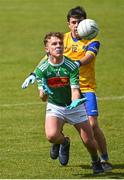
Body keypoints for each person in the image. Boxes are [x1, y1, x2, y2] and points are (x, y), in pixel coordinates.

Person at [22, 6, 112, 171]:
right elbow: (46, 58)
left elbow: (90, 55)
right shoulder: (61, 40)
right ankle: (60, 142)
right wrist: (34, 74)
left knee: (92, 125)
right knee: (57, 124)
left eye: (79, 22)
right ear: (68, 24)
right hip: (62, 85)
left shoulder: (92, 38)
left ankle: (104, 158)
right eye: (73, 22)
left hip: (85, 86)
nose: (77, 26)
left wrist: (75, 64)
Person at [35, 31, 104, 174]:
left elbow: (75, 90)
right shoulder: (41, 70)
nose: (58, 46)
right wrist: (45, 92)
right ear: (47, 49)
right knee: (51, 136)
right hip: (55, 106)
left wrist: (75, 101)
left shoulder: (71, 66)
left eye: (60, 43)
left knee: (88, 141)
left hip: (74, 107)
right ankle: (64, 142)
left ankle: (96, 161)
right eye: (54, 44)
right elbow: (42, 97)